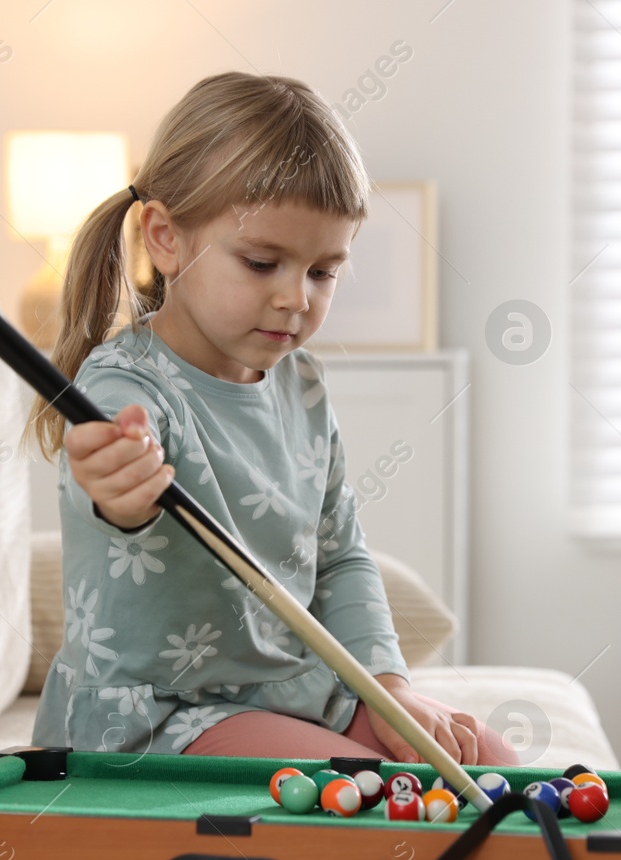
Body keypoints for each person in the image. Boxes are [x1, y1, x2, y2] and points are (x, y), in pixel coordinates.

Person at [25, 71, 515, 767]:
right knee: (361, 787)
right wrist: (115, 484)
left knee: (488, 758)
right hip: (159, 719)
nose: (296, 298)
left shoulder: (301, 383)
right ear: (165, 238)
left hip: (290, 694)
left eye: (323, 272)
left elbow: (341, 555)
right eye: (262, 263)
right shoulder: (125, 383)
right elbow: (110, 473)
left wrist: (388, 691)